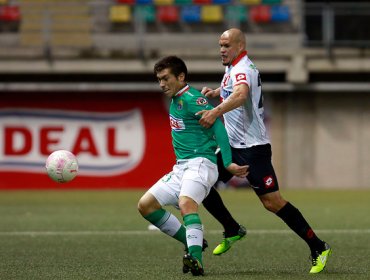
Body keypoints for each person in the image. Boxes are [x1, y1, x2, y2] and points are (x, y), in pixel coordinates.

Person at [196, 28, 332, 274]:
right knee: (201, 184)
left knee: (272, 203)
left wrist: (215, 111)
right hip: (233, 146)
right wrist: (217, 93)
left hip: (253, 149)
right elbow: (234, 91)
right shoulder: (233, 68)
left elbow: (241, 95)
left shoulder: (243, 69)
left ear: (239, 45)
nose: (221, 50)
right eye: (220, 45)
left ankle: (318, 246)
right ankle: (232, 228)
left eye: (226, 45)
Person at [137, 56, 248, 276]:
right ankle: (195, 242)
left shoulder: (191, 98)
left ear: (180, 76)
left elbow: (218, 127)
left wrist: (227, 163)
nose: (161, 84)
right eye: (158, 79)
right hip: (181, 168)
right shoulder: (176, 99)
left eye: (166, 78)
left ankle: (195, 260)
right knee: (146, 205)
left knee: (186, 203)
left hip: (201, 164)